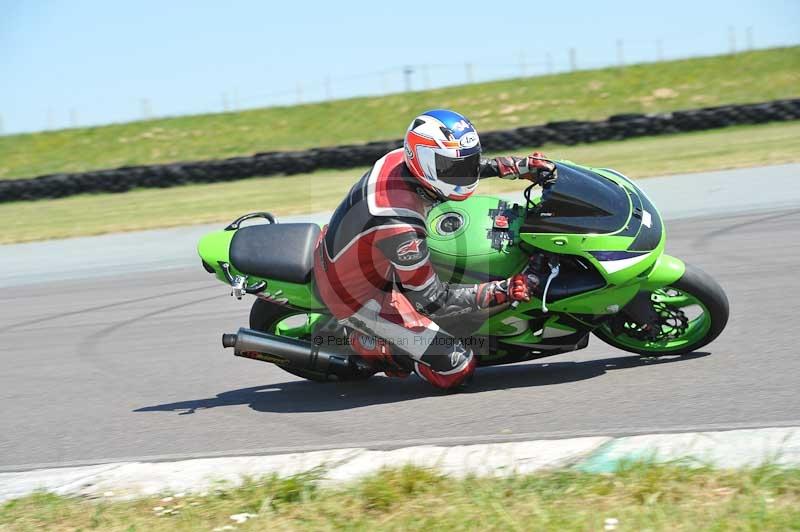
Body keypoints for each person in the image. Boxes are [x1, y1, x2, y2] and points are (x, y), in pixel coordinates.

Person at [313, 109, 556, 389]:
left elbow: (459, 166)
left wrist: (513, 166)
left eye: (468, 161)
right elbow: (433, 300)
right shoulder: (400, 225)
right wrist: (503, 289)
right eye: (455, 167)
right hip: (362, 295)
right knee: (457, 366)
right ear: (426, 163)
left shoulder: (403, 159)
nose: (465, 172)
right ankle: (364, 342)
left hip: (370, 255)